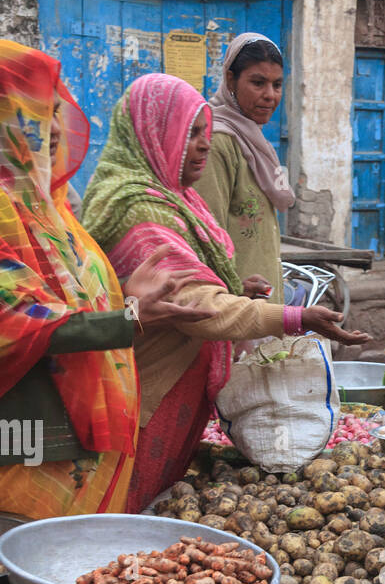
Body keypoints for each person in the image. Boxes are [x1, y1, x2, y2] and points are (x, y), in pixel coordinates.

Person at [82, 73, 368, 512]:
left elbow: (200, 282)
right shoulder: (140, 210)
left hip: (176, 382)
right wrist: (294, 318)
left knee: (159, 501)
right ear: (153, 134)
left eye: (204, 132)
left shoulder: (177, 199)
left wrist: (235, 287)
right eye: (189, 132)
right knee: (129, 507)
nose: (203, 144)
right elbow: (197, 306)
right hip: (148, 388)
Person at [0, 40, 207, 522]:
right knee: (24, 573)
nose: (52, 128)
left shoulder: (50, 206)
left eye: (54, 111)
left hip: (76, 435)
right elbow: (16, 322)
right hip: (25, 440)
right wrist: (127, 318)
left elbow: (72, 294)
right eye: (30, 112)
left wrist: (123, 292)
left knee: (66, 574)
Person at [197, 33, 292, 303]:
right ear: (230, 80)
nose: (270, 96)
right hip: (235, 304)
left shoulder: (254, 141)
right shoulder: (216, 142)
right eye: (258, 83)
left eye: (277, 85)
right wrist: (231, 288)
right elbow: (207, 232)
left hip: (262, 300)